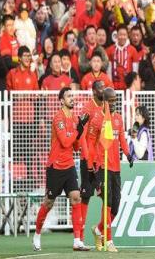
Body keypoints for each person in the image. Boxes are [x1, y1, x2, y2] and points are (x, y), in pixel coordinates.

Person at [32, 87, 90, 252]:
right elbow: (65, 142)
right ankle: (37, 235)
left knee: (76, 198)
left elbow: (76, 147)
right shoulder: (58, 117)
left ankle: (77, 240)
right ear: (61, 101)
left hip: (69, 165)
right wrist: (77, 130)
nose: (72, 98)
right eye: (68, 96)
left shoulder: (75, 118)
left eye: (73, 95)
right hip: (55, 166)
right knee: (48, 202)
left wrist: (81, 130)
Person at [90, 87, 132, 252]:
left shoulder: (119, 119)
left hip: (115, 167)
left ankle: (98, 229)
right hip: (103, 166)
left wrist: (128, 154)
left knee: (116, 205)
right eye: (111, 101)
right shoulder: (97, 119)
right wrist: (92, 166)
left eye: (115, 100)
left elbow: (122, 140)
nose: (114, 103)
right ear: (104, 101)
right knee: (107, 202)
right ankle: (108, 240)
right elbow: (92, 143)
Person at [79, 80, 105, 244]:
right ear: (94, 91)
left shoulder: (106, 108)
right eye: (100, 88)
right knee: (86, 196)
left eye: (104, 87)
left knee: (106, 196)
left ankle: (100, 231)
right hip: (88, 159)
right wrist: (87, 157)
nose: (103, 90)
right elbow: (81, 135)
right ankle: (79, 237)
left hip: (101, 160)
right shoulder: (87, 108)